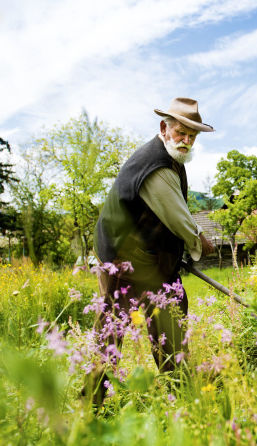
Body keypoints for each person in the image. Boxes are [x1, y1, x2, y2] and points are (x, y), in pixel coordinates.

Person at [90, 97, 215, 402]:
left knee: (171, 322)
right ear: (164, 127)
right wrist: (202, 241)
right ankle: (89, 406)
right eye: (181, 133)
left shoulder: (172, 157)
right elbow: (179, 218)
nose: (186, 141)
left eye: (192, 136)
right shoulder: (156, 165)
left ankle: (181, 396)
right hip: (125, 261)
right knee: (111, 334)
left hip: (155, 262)